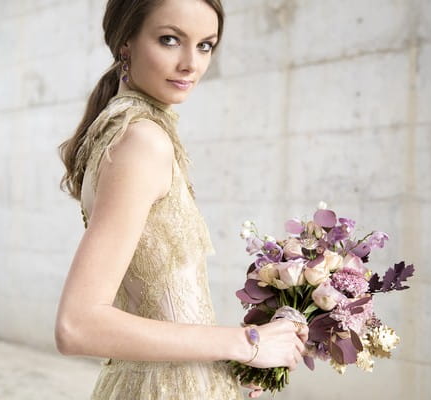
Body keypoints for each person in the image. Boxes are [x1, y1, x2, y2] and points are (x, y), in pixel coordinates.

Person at [54, 0, 309, 398]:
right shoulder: (141, 140)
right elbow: (77, 325)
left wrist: (233, 361)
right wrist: (249, 342)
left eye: (205, 45)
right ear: (126, 43)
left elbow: (158, 307)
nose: (191, 63)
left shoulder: (124, 131)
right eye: (170, 40)